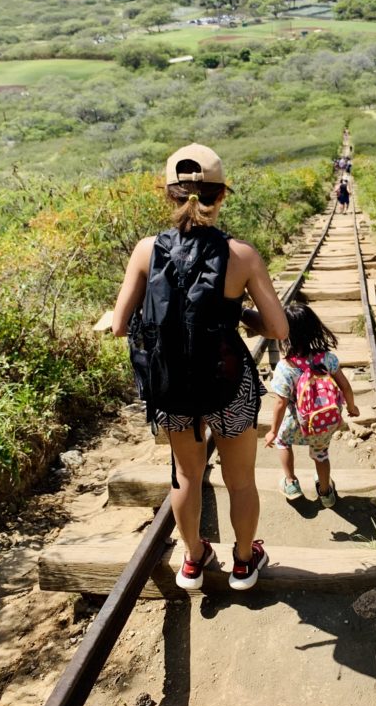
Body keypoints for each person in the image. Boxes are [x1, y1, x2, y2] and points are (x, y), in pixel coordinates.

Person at [112, 143, 288, 591]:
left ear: (169, 195)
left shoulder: (145, 251)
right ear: (221, 195)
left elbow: (118, 325)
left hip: (171, 387)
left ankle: (193, 560)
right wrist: (239, 315)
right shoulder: (242, 255)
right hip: (229, 384)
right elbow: (279, 328)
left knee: (186, 475)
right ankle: (245, 563)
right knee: (241, 481)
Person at [264, 302, 359, 509]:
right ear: (315, 328)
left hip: (296, 422)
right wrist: (351, 407)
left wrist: (272, 431)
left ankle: (291, 483)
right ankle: (325, 493)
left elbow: (280, 403)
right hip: (323, 422)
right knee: (321, 454)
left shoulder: (285, 367)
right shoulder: (327, 359)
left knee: (282, 441)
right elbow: (345, 386)